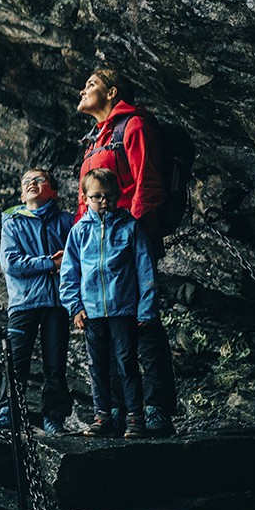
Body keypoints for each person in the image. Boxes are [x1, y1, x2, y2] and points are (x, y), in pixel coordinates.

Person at [75, 65, 176, 436]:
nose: (83, 90)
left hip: (131, 243)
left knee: (143, 326)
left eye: (92, 84)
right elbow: (84, 203)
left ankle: (155, 410)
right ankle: (117, 412)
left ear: (113, 92)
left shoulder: (132, 126)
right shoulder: (94, 140)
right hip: (95, 249)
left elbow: (148, 186)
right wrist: (79, 241)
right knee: (106, 331)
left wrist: (125, 234)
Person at [60, 168, 158, 439]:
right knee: (98, 364)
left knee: (127, 362)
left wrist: (146, 308)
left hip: (123, 309)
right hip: (91, 312)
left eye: (109, 196)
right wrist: (75, 306)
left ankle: (134, 416)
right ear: (85, 197)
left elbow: (144, 269)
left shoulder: (130, 227)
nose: (104, 202)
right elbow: (70, 272)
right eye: (97, 197)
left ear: (118, 195)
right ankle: (102, 416)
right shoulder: (79, 232)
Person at [0, 168, 72, 434]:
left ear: (53, 190)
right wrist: (49, 262)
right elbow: (11, 263)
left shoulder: (66, 221)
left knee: (55, 362)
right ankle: (9, 410)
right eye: (26, 181)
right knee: (17, 359)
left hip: (57, 302)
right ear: (21, 192)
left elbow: (74, 258)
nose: (31, 184)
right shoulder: (12, 221)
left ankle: (53, 416)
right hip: (24, 301)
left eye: (39, 180)